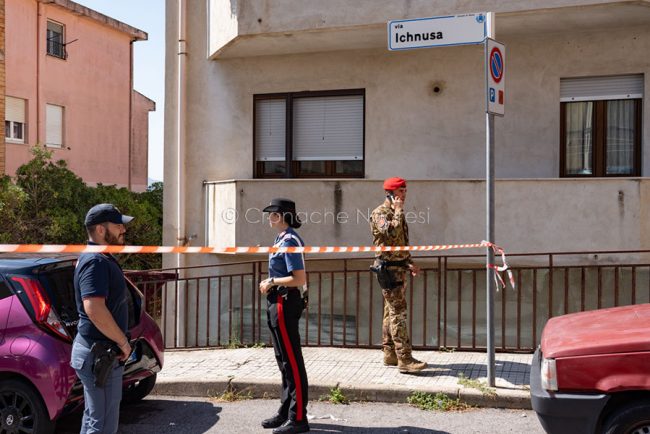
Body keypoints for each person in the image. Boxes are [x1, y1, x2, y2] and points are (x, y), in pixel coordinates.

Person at [71, 203, 134, 434]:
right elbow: (94, 309)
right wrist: (123, 343)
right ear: (100, 230)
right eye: (118, 225)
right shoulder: (95, 261)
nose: (123, 230)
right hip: (99, 354)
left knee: (95, 419)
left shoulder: (99, 258)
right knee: (102, 425)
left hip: (99, 353)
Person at [258, 198, 310, 434]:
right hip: (276, 301)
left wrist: (272, 281)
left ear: (284, 216)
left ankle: (299, 418)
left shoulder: (290, 241)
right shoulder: (280, 239)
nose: (270, 218)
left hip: (285, 301)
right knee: (283, 361)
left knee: (292, 361)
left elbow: (299, 279)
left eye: (274, 214)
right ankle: (286, 410)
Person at [370, 177, 426, 373]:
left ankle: (390, 354)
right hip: (388, 270)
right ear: (391, 194)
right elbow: (390, 235)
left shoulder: (396, 213)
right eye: (401, 191)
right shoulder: (380, 213)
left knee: (390, 312)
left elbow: (401, 243)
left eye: (405, 191)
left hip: (399, 267)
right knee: (398, 313)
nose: (405, 195)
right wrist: (399, 211)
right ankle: (405, 359)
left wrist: (409, 262)